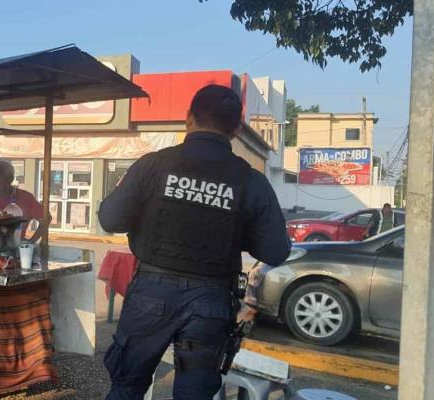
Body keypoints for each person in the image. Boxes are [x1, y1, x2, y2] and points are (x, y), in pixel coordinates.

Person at [98, 84, 291, 400]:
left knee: (126, 388)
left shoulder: (153, 165)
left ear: (188, 118)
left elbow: (111, 219)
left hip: (151, 294)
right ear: (236, 129)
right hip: (211, 302)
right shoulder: (250, 180)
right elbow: (275, 250)